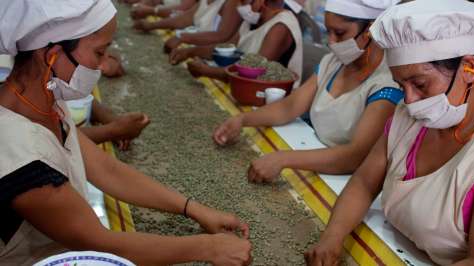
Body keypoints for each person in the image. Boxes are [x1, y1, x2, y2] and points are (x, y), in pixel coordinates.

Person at [0, 1, 251, 265]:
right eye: (99, 53)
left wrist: (194, 209)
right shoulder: (17, 150)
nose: (104, 64)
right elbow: (97, 242)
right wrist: (208, 248)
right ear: (51, 55)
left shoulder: (45, 98)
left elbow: (107, 170)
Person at [305, 0, 474, 265]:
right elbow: (363, 182)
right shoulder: (411, 115)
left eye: (420, 84)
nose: (409, 100)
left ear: (469, 68)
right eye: (401, 85)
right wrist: (332, 237)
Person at [213, 0, 402, 183]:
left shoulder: (387, 84)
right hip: (313, 158)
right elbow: (290, 106)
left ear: (369, 31)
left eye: (339, 33)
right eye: (328, 32)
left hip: (343, 180)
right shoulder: (333, 62)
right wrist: (243, 120)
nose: (331, 41)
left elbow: (354, 156)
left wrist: (284, 159)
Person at [171, 0, 304, 86]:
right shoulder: (253, 18)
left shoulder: (280, 27)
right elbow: (227, 48)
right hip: (240, 86)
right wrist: (190, 51)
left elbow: (253, 73)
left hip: (269, 98)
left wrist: (207, 71)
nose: (239, 6)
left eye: (243, 1)